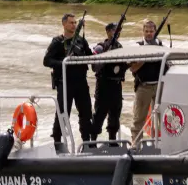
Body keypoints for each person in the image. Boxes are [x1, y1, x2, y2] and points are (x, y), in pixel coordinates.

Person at [42, 13, 94, 148]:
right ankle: (57, 143)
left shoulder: (81, 41)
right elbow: (47, 61)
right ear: (64, 24)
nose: (74, 25)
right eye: (71, 23)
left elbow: (90, 57)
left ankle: (87, 142)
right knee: (63, 113)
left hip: (81, 82)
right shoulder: (57, 42)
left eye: (75, 23)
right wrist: (64, 63)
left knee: (86, 112)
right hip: (65, 83)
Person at [90, 22, 126, 142]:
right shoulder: (100, 47)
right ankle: (92, 141)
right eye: (115, 30)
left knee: (115, 115)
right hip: (103, 86)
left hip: (116, 86)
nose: (117, 33)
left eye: (118, 30)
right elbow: (94, 66)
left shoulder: (120, 47)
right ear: (108, 31)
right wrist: (105, 58)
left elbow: (123, 67)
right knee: (99, 115)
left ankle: (113, 140)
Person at [129, 20, 163, 143]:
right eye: (147, 31)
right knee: (139, 118)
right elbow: (132, 68)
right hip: (144, 87)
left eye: (151, 31)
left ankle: (161, 143)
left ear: (155, 32)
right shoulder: (138, 46)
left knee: (162, 117)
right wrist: (145, 56)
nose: (149, 34)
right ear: (143, 32)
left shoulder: (159, 44)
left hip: (159, 86)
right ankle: (136, 145)